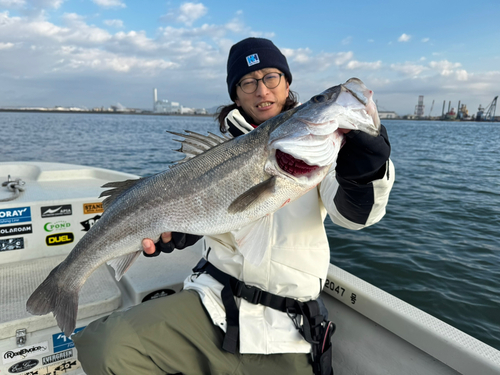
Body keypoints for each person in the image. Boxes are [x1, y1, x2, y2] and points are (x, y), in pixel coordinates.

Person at [73, 37, 395, 375]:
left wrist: (365, 172)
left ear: (287, 84)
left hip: (289, 325)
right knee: (106, 345)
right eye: (248, 82)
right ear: (236, 94)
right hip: (211, 304)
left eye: (271, 77)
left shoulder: (325, 150)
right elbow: (199, 211)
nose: (262, 90)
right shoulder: (211, 155)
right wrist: (185, 233)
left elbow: (354, 217)